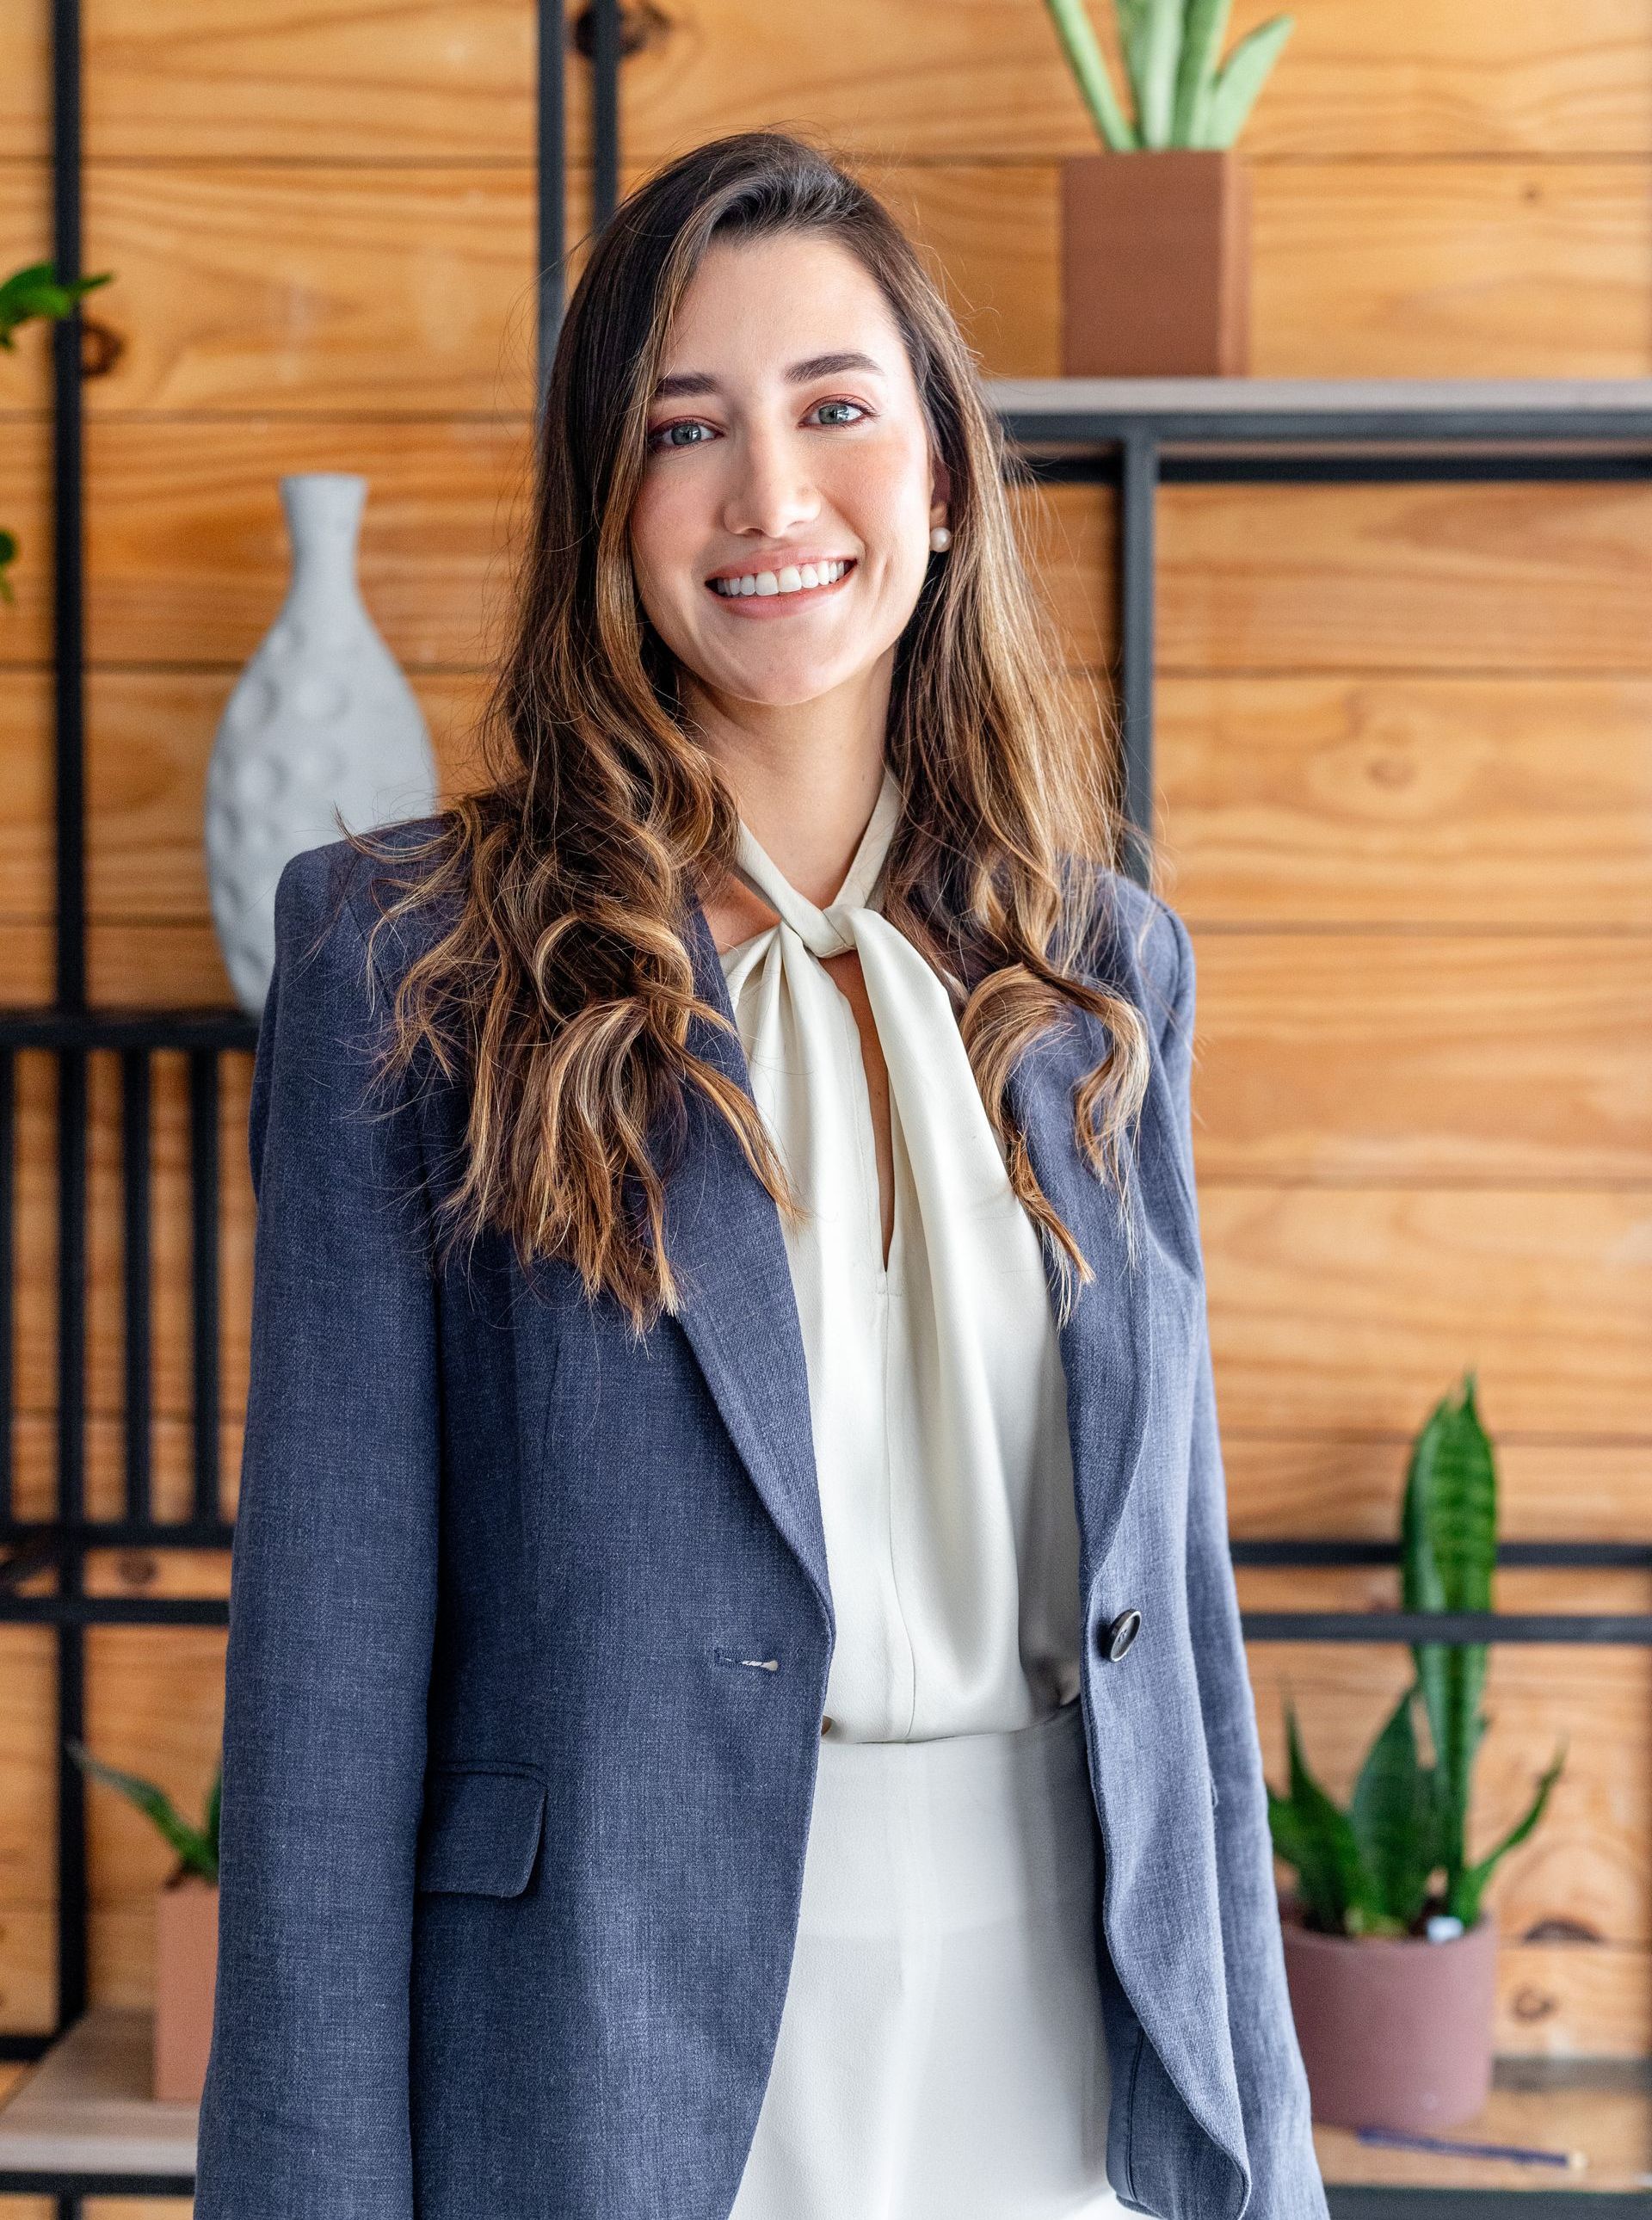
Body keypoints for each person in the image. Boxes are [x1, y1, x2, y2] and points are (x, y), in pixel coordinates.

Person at [194, 130, 1327, 2220]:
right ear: (604, 510)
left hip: (1067, 2039)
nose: (771, 499)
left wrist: (1268, 2160)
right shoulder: (406, 963)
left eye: (835, 412)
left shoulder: (1100, 969)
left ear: (947, 481)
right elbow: (323, 1705)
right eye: (683, 428)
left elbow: (1187, 1628)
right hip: (614, 2054)